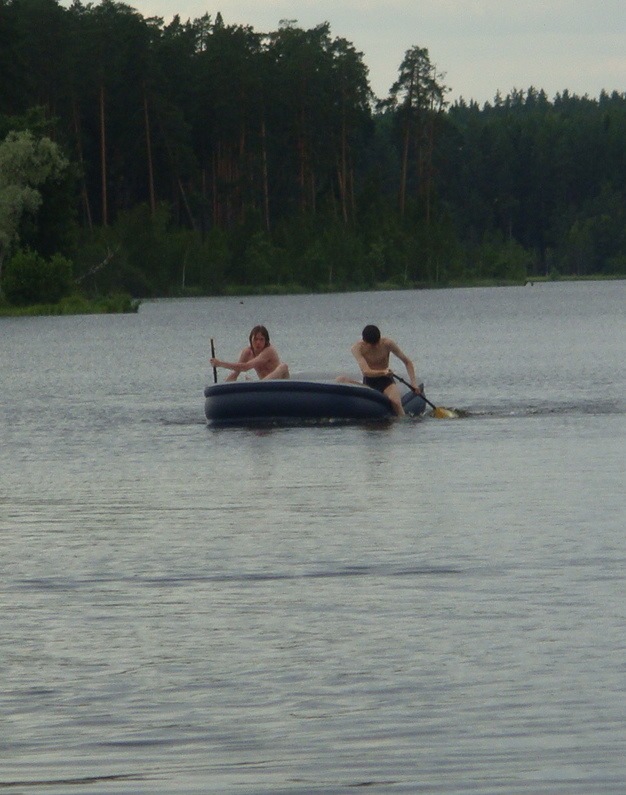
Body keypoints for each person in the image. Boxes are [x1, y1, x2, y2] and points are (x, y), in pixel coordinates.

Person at [349, 324, 420, 416]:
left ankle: (403, 422)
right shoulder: (357, 348)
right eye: (372, 345)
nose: (375, 346)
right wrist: (383, 372)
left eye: (377, 343)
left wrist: (413, 383)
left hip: (386, 381)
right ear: (364, 342)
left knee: (396, 402)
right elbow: (366, 371)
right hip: (369, 381)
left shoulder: (387, 344)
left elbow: (407, 362)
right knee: (341, 379)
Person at [210, 325, 289, 381]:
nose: (258, 342)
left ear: (266, 341)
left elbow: (245, 367)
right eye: (255, 339)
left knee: (283, 366)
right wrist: (221, 389)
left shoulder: (269, 351)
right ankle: (259, 386)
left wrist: (220, 363)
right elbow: (236, 372)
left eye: (261, 339)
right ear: (251, 339)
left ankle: (260, 385)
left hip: (279, 384)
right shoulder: (247, 352)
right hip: (264, 387)